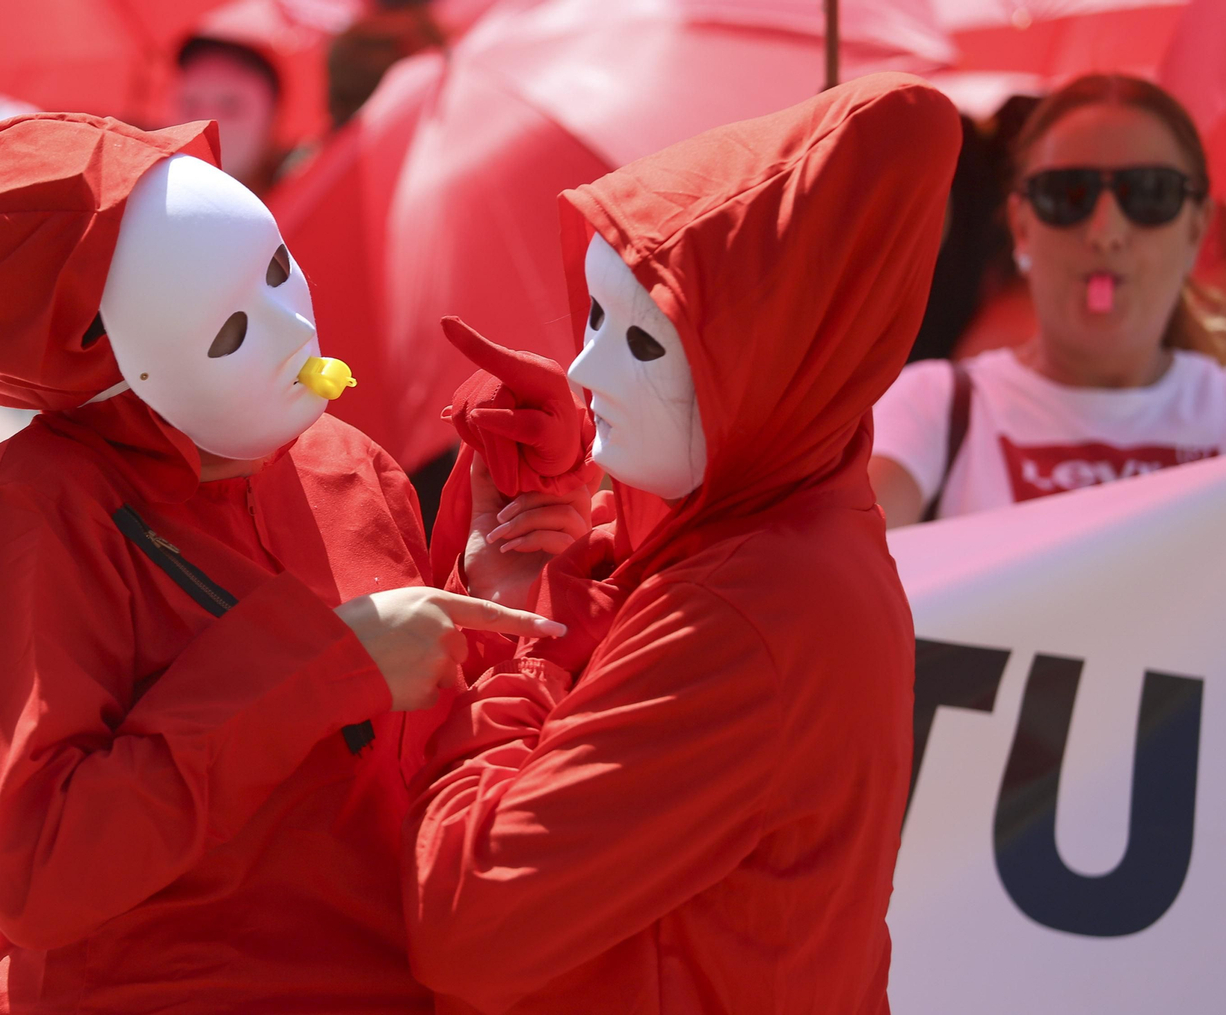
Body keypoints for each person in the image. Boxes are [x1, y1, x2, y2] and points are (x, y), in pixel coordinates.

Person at [0, 112, 566, 1013]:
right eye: (224, 330)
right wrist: (320, 667)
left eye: (279, 268)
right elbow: (41, 868)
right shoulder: (24, 528)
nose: (289, 329)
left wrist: (487, 589)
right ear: (103, 358)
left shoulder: (343, 461)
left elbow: (401, 762)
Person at [403, 73, 959, 1013]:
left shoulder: (743, 610)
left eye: (648, 343)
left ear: (772, 367)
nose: (583, 368)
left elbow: (466, 916)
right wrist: (572, 546)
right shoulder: (789, 513)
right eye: (592, 316)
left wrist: (516, 648)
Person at [872, 74, 1226, 526]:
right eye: (1068, 194)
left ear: (1198, 229)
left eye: (1148, 194)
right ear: (1021, 225)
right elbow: (852, 562)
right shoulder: (931, 405)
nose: (1105, 233)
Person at [175, 36, 288, 195]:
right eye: (190, 106)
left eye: (229, 107)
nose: (204, 125)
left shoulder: (307, 200)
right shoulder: (143, 202)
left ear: (272, 119)